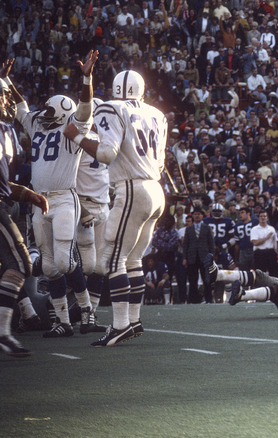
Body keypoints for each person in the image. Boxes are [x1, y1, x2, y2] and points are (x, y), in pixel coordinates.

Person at [64, 69, 168, 345]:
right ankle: (133, 321)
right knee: (133, 259)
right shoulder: (157, 113)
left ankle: (121, 325)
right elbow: (160, 164)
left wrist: (76, 137)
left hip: (132, 188)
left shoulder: (112, 107)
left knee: (112, 260)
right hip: (156, 190)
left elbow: (107, 154)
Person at [11, 50, 98, 338]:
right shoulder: (37, 122)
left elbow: (85, 107)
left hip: (63, 198)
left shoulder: (72, 128)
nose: (45, 115)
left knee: (63, 260)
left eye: (51, 112)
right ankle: (63, 321)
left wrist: (87, 77)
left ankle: (87, 312)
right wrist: (5, 82)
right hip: (40, 200)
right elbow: (20, 107)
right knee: (48, 266)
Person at [0, 67, 49, 357]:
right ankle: (3, 333)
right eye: (3, 98)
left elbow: (5, 184)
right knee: (20, 263)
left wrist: (27, 194)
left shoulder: (6, 131)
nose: (6, 103)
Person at [75, 96, 110, 332]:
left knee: (101, 267)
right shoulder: (78, 141)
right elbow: (66, 177)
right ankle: (64, 308)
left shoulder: (105, 140)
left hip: (103, 204)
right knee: (82, 265)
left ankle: (91, 315)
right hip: (83, 205)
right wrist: (79, 205)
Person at [182, 207, 216, 303]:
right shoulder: (189, 229)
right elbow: (185, 245)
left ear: (202, 216)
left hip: (204, 257)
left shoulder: (207, 227)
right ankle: (194, 299)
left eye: (199, 214)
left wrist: (212, 257)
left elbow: (211, 243)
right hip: (192, 257)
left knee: (206, 279)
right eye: (195, 214)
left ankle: (208, 299)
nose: (197, 216)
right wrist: (184, 258)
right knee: (193, 280)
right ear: (193, 216)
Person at [251, 210, 278, 277]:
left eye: (265, 216)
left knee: (274, 274)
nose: (263, 218)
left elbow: (276, 241)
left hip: (270, 252)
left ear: (267, 218)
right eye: (261, 216)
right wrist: (267, 237)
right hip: (259, 253)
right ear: (258, 218)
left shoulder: (271, 228)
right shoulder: (254, 229)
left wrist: (275, 251)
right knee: (260, 275)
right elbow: (255, 242)